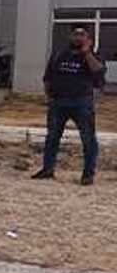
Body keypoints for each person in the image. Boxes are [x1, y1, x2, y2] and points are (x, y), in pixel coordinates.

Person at [31, 27, 106, 186]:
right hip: (58, 102)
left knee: (88, 139)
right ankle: (48, 169)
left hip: (81, 103)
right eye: (75, 34)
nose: (78, 37)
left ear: (88, 38)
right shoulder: (60, 54)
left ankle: (87, 175)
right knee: (52, 137)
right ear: (70, 37)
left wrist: (86, 53)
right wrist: (49, 96)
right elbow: (48, 76)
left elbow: (98, 71)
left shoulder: (94, 55)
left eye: (82, 34)